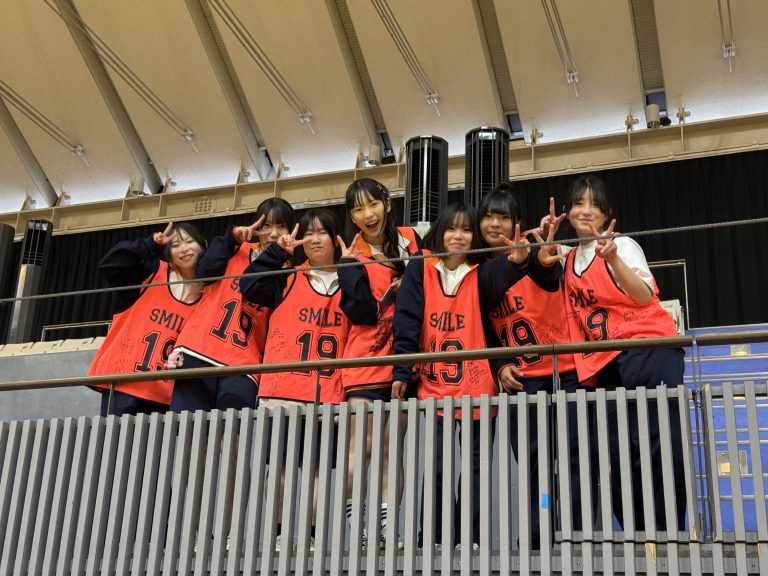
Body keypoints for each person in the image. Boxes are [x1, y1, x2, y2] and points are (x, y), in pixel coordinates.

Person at [391, 202, 537, 551]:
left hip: (478, 386)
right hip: (434, 385)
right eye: (452, 228)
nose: (459, 236)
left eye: (467, 229)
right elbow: (407, 320)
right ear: (440, 231)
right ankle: (433, 537)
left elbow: (509, 272)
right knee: (437, 465)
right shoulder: (421, 267)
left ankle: (470, 538)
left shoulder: (482, 271)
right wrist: (402, 370)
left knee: (476, 467)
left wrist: (520, 260)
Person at [562, 174, 686, 531]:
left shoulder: (622, 245)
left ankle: (667, 536)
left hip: (648, 350)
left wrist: (614, 260)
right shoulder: (568, 259)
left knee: (659, 448)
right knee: (618, 454)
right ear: (568, 211)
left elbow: (645, 295)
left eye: (595, 204)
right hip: (607, 364)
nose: (587, 211)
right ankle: (637, 535)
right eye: (579, 203)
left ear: (607, 213)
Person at [478, 183, 585, 549]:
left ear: (517, 223)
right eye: (488, 217)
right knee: (533, 464)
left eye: (503, 217)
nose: (495, 224)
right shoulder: (479, 272)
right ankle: (541, 534)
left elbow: (548, 275)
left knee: (573, 457)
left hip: (565, 373)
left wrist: (537, 258)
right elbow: (481, 327)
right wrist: (500, 363)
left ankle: (575, 534)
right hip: (522, 381)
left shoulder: (538, 251)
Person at [240, 208, 349, 551]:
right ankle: (279, 534)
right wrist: (277, 252)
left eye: (322, 233)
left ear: (336, 239)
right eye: (308, 233)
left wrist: (352, 266)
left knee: (317, 469)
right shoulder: (287, 277)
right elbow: (249, 285)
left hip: (327, 393)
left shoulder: (351, 279)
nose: (315, 240)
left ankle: (312, 537)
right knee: (281, 467)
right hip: (281, 390)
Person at [336, 178, 420, 548]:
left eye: (373, 204)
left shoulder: (411, 240)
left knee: (391, 446)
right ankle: (356, 528)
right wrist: (347, 269)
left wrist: (410, 282)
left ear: (386, 202)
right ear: (351, 217)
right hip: (365, 359)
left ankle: (384, 529)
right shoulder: (352, 255)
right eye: (358, 209)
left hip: (404, 357)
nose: (368, 214)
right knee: (361, 446)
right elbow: (360, 312)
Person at [169, 198, 294, 413]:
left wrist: (278, 255)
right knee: (187, 429)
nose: (274, 234)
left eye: (281, 226)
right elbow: (203, 272)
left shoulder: (289, 274)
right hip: (200, 349)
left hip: (243, 363)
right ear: (256, 226)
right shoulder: (235, 248)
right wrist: (231, 237)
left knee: (234, 431)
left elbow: (254, 290)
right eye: (266, 225)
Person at [88, 221, 205, 416]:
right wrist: (149, 244)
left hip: (165, 395)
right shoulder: (151, 272)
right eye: (175, 245)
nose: (184, 249)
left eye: (189, 241)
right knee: (115, 436)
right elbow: (109, 265)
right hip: (124, 382)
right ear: (168, 253)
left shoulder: (210, 293)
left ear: (204, 245)